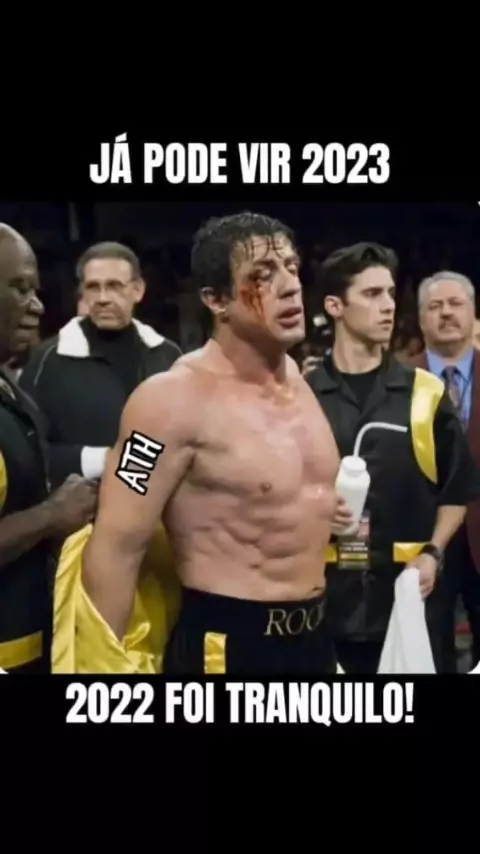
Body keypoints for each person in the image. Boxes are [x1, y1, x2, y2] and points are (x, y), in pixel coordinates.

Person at [81, 212, 341, 675]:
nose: (290, 287)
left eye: (292, 267)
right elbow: (116, 549)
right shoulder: (167, 403)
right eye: (263, 275)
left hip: (316, 640)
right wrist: (103, 679)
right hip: (227, 647)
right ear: (216, 300)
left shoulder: (299, 381)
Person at [306, 243, 476, 674]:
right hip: (323, 602)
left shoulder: (426, 392)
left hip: (412, 601)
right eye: (371, 294)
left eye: (389, 294)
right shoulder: (301, 396)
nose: (387, 306)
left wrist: (433, 553)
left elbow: (457, 490)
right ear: (335, 306)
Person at [0, 224, 97, 672]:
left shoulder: (11, 387)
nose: (37, 305)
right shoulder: (48, 365)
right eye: (20, 288)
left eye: (35, 290)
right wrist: (51, 515)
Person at [20, 241, 182, 488]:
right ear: (82, 293)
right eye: (93, 287)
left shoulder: (167, 355)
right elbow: (26, 453)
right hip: (81, 506)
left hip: (164, 502)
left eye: (114, 286)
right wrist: (105, 460)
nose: (103, 298)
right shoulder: (47, 360)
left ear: (138, 290)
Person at [408, 271, 480, 671]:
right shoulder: (398, 380)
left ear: (473, 312)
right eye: (435, 306)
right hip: (422, 543)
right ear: (421, 320)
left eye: (456, 304)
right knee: (432, 657)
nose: (447, 313)